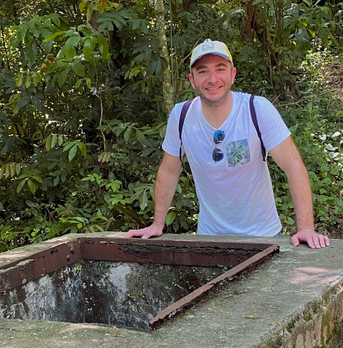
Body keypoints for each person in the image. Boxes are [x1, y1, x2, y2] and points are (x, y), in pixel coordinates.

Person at [125, 39, 330, 248]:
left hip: (263, 237)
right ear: (192, 80)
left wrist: (305, 228)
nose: (212, 79)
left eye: (220, 69)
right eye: (203, 71)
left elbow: (294, 166)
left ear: (232, 75)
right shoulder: (181, 116)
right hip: (210, 239)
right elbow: (169, 170)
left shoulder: (256, 110)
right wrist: (157, 224)